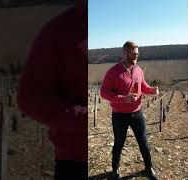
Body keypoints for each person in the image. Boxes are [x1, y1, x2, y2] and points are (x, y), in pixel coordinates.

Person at [17, 0, 88, 179]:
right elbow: (30, 95)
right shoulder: (60, 31)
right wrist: (85, 119)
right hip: (77, 161)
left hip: (121, 149)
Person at [100, 41, 159, 180]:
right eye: (133, 54)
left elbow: (143, 86)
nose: (136, 57)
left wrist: (152, 90)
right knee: (119, 143)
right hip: (119, 115)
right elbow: (103, 93)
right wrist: (123, 98)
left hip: (137, 113)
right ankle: (115, 171)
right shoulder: (113, 72)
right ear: (125, 53)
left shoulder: (138, 70)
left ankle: (148, 168)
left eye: (137, 54)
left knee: (143, 142)